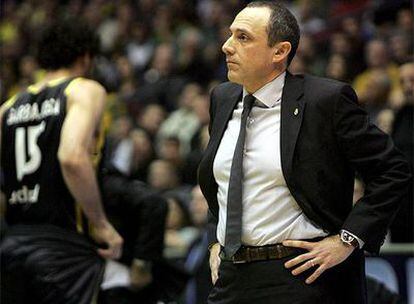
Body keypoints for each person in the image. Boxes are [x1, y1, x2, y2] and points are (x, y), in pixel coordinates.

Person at [198, 2, 411, 304]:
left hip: (301, 274)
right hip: (233, 277)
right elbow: (222, 182)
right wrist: (214, 243)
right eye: (230, 35)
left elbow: (392, 171)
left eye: (243, 37)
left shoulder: (325, 101)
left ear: (279, 51)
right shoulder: (222, 98)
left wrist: (348, 239)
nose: (227, 46)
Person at [0, 19, 123, 303]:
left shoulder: (9, 106)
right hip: (62, 248)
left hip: (13, 244)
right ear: (86, 57)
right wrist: (101, 224)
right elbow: (71, 156)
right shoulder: (83, 89)